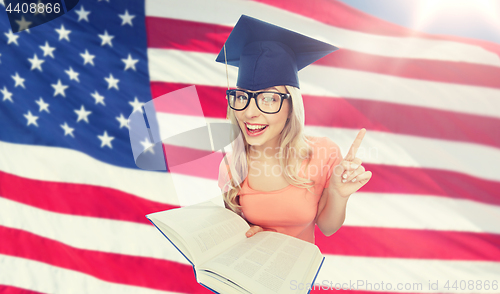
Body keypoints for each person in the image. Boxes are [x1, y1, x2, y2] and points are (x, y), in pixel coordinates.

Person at [216, 15, 372, 244]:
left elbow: (327, 227)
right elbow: (231, 235)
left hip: (297, 277)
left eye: (268, 99)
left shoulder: (323, 153)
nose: (250, 113)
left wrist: (338, 194)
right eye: (242, 97)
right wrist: (248, 235)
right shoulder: (231, 166)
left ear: (291, 107)